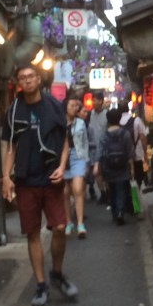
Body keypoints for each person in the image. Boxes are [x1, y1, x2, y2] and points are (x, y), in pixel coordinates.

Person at [1, 66, 78, 306]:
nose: (27, 80)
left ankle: (56, 272)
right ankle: (41, 284)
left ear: (38, 79)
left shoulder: (54, 106)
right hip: (25, 180)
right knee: (32, 233)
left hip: (51, 178)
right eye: (22, 78)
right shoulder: (13, 111)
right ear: (18, 82)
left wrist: (62, 165)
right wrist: (6, 177)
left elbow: (65, 141)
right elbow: (10, 147)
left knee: (60, 227)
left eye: (31, 76)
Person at [95, 108, 134, 225]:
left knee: (111, 189)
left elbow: (100, 151)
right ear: (120, 119)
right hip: (122, 166)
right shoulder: (125, 134)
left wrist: (97, 166)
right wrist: (131, 168)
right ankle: (120, 212)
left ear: (107, 120)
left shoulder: (104, 135)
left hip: (108, 167)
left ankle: (114, 212)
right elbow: (130, 152)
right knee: (121, 188)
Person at [63, 94, 89, 238]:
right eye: (71, 106)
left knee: (78, 189)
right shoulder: (59, 123)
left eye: (76, 106)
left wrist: (86, 161)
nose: (74, 108)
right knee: (65, 192)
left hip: (77, 157)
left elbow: (85, 142)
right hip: (63, 158)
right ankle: (68, 222)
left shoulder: (81, 123)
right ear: (65, 108)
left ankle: (80, 224)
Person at [119, 100, 149, 190]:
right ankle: (137, 197)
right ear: (128, 108)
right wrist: (145, 153)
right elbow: (143, 137)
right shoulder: (136, 120)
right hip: (137, 156)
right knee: (138, 179)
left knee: (124, 182)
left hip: (122, 157)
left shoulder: (116, 122)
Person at [86, 90, 108, 204]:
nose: (93, 102)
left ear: (101, 101)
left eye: (95, 100)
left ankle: (108, 193)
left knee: (105, 173)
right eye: (92, 100)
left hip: (105, 149)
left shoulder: (106, 114)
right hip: (94, 149)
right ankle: (103, 193)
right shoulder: (90, 114)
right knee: (97, 173)